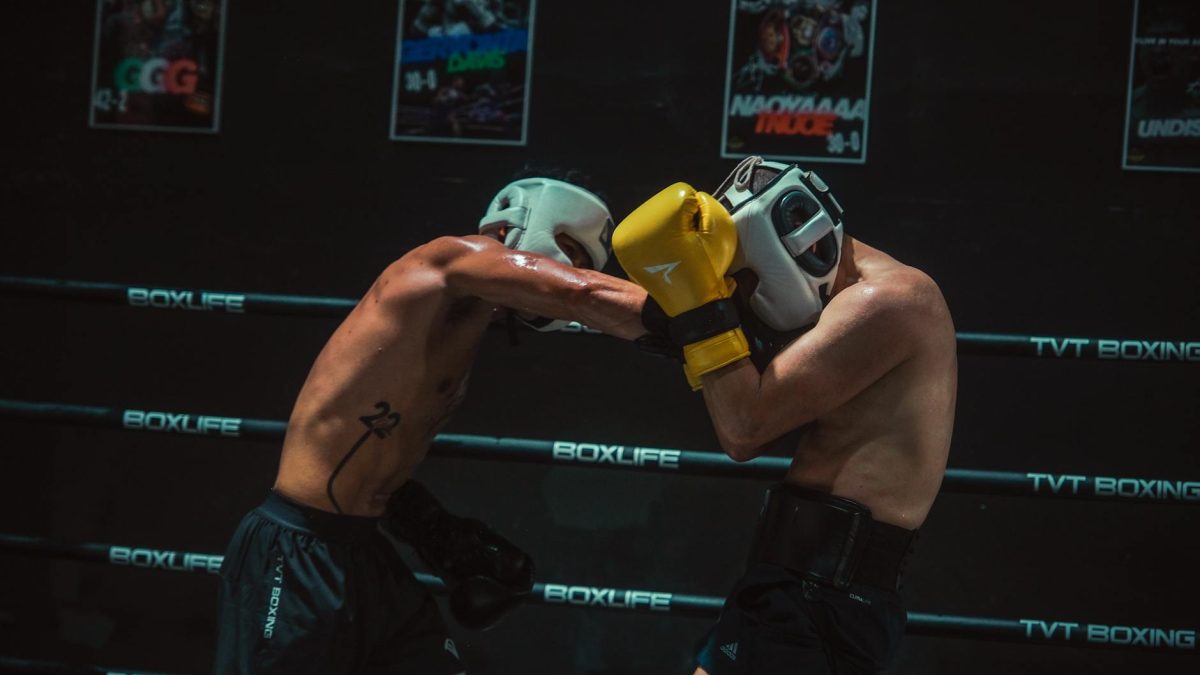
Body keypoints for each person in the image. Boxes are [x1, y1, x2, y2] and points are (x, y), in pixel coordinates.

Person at [212, 173, 647, 674]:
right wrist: (697, 318)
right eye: (568, 250)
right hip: (298, 550)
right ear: (522, 226)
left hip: (364, 551)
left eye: (582, 262)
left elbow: (379, 438)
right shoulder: (445, 260)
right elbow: (581, 295)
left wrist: (431, 526)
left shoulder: (467, 314)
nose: (570, 269)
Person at [613, 155, 957, 674]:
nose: (745, 294)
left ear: (798, 242)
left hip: (824, 596)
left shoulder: (890, 301)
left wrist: (698, 307)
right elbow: (618, 307)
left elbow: (744, 430)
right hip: (796, 585)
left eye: (747, 279)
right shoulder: (839, 305)